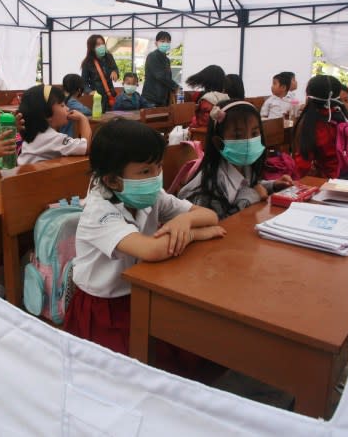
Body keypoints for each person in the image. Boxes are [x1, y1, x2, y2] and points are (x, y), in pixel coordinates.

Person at [63, 119, 225, 355]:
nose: (157, 176)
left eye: (158, 167)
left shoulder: (151, 195)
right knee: (124, 370)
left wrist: (185, 220)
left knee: (190, 345)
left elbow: (210, 216)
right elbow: (153, 250)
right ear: (111, 180)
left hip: (142, 292)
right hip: (104, 307)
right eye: (146, 171)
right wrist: (194, 233)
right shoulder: (98, 212)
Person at [178, 100, 293, 219]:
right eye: (238, 136)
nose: (248, 142)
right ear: (218, 142)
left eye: (254, 133)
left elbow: (246, 184)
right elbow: (217, 223)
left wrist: (272, 185)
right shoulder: (210, 186)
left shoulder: (244, 165)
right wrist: (251, 196)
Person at [291, 75, 348, 178]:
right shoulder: (344, 118)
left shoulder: (314, 125)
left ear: (308, 96)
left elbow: (302, 166)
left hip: (329, 182)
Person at [17, 84, 90, 164]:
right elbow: (86, 147)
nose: (68, 109)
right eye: (62, 105)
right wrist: (83, 119)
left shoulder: (35, 134)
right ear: (47, 114)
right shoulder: (51, 138)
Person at [80, 34, 120, 111]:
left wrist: (115, 72)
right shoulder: (87, 63)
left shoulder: (109, 57)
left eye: (103, 44)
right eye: (98, 44)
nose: (101, 46)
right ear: (92, 47)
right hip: (97, 98)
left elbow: (115, 69)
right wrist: (90, 92)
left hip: (110, 96)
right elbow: (83, 83)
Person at [141, 31, 179, 107]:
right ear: (156, 43)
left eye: (168, 42)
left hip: (162, 99)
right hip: (151, 99)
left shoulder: (167, 60)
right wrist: (175, 86)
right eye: (162, 41)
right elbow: (160, 76)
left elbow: (168, 78)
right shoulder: (152, 56)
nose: (165, 44)